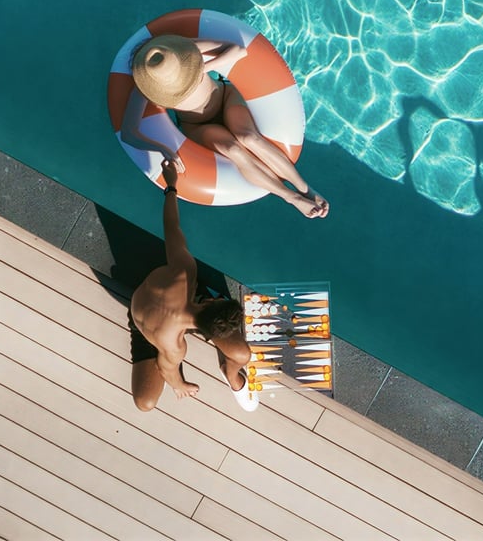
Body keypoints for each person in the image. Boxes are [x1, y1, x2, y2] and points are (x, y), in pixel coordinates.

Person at [123, 34, 329, 218]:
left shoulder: (185, 52)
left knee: (248, 137)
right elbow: (128, 133)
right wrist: (162, 148)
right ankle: (291, 197)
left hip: (225, 97)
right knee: (232, 149)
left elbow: (238, 50)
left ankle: (305, 188)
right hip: (197, 124)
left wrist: (200, 68)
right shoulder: (145, 88)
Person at [129, 159, 259, 412]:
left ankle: (230, 374)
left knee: (145, 405)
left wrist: (171, 187)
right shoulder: (174, 348)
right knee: (242, 355)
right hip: (151, 334)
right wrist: (179, 385)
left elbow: (171, 227)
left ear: (211, 302)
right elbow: (168, 369)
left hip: (158, 313)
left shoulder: (182, 273)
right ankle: (233, 370)